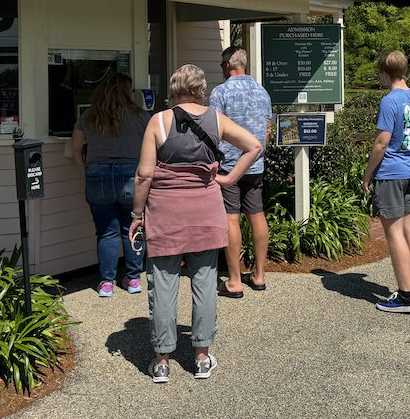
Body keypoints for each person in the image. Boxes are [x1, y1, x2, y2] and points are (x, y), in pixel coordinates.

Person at [129, 64, 261, 383]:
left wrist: (136, 215)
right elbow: (254, 146)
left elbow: (144, 175)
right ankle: (201, 357)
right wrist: (228, 178)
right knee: (204, 284)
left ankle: (162, 361)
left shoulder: (158, 121)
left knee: (162, 285)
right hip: (206, 211)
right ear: (201, 88)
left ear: (174, 88)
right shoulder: (216, 119)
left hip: (165, 213)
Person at [362, 51, 410, 315]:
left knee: (395, 234)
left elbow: (381, 141)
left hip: (391, 173)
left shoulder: (389, 101)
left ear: (384, 72)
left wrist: (368, 174)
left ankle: (405, 296)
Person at [72, 72, 149, 297]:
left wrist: (86, 173)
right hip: (131, 176)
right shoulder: (141, 116)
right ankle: (133, 279)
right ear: (128, 91)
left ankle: (107, 283)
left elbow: (76, 149)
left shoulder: (88, 116)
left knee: (106, 233)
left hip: (98, 176)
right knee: (132, 229)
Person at [209, 47, 273, 297]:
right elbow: (267, 129)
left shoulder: (220, 92)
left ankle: (234, 281)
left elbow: (213, 130)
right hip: (255, 164)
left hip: (228, 167)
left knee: (231, 218)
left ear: (227, 65)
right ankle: (259, 275)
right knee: (257, 215)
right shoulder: (262, 90)